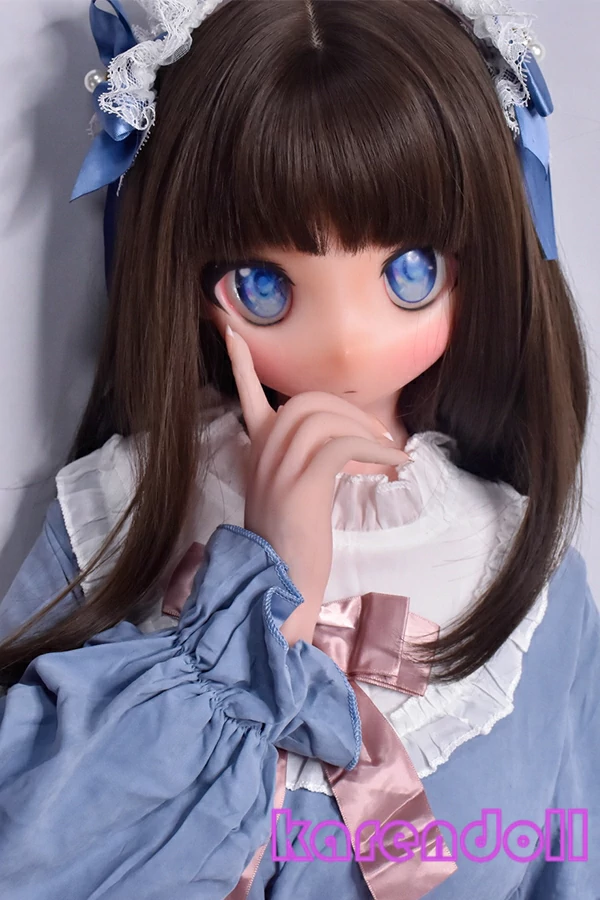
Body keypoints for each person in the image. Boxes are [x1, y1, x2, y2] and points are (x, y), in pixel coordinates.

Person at [0, 1, 597, 897]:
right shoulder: (108, 518)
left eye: (409, 272)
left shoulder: (527, 580)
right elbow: (31, 861)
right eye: (265, 284)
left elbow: (566, 870)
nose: (348, 344)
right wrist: (261, 600)